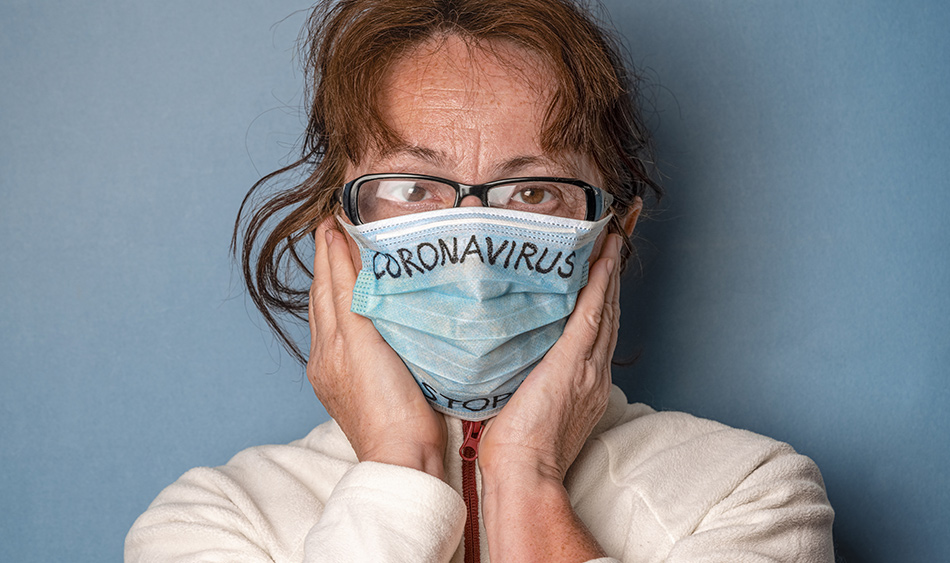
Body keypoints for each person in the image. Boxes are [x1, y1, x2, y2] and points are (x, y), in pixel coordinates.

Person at [126, 0, 835, 561]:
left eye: (532, 192)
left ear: (613, 233)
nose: (471, 253)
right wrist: (400, 462)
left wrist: (528, 480)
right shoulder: (215, 521)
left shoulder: (744, 493)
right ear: (334, 228)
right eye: (413, 188)